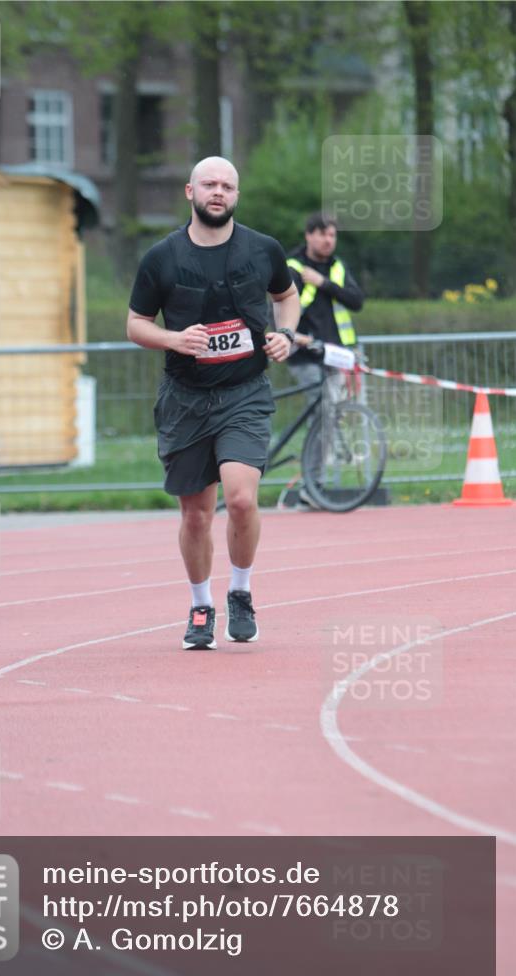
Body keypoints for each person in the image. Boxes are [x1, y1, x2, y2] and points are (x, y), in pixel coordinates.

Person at [127, 156, 300, 651]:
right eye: (209, 184)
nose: (217, 192)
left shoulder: (263, 248)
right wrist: (172, 339)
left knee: (242, 499)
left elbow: (288, 296)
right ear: (190, 192)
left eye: (227, 185)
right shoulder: (161, 257)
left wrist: (286, 332)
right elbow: (136, 323)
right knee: (197, 515)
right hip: (185, 399)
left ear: (236, 196)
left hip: (245, 392)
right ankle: (201, 604)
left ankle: (240, 592)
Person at [286, 212, 364, 507]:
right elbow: (281, 308)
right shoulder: (292, 267)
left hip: (337, 355)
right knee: (322, 410)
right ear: (308, 235)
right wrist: (293, 335)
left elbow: (357, 301)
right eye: (322, 234)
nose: (328, 240)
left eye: (332, 235)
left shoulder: (337, 267)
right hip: (304, 354)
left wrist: (323, 283)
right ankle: (313, 483)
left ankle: (312, 481)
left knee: (331, 415)